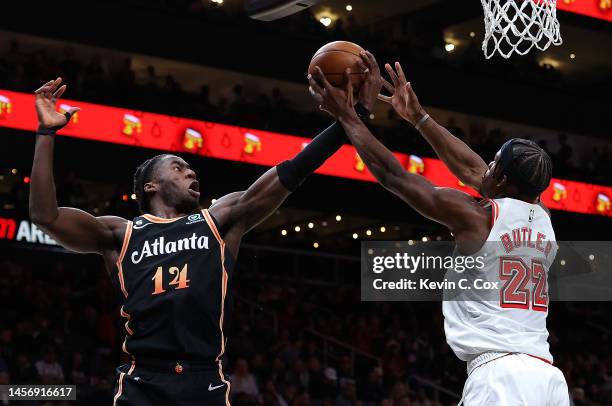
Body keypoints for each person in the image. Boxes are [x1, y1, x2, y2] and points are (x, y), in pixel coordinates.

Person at [29, 75, 377, 405]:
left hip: (203, 379)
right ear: (150, 186)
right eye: (178, 167)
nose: (191, 172)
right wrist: (46, 132)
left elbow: (292, 170)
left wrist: (351, 117)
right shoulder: (120, 233)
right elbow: (46, 216)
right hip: (142, 381)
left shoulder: (219, 220)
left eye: (190, 169)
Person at [308, 52, 569, 405]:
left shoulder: (478, 217)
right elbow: (473, 171)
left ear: (504, 180)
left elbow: (394, 177)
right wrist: (418, 118)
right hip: (547, 376)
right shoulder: (544, 219)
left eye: (493, 164)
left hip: (501, 377)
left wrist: (347, 117)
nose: (484, 167)